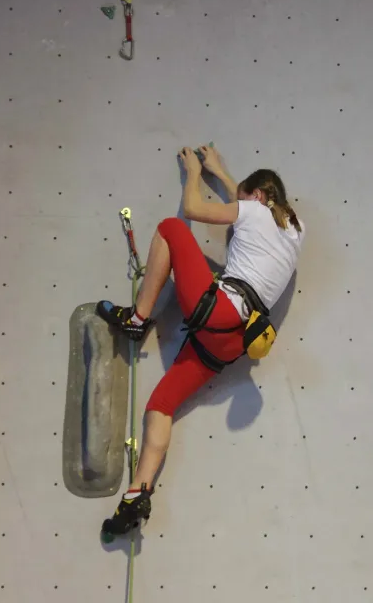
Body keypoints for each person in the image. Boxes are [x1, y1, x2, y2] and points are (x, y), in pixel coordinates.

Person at [97, 145, 305, 536]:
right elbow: (248, 210)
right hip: (232, 343)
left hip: (220, 310)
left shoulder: (255, 211)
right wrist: (222, 172)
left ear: (259, 196)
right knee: (162, 404)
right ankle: (137, 493)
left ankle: (137, 320)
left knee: (171, 229)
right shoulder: (295, 229)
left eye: (245, 197)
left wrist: (195, 172)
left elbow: (196, 209)